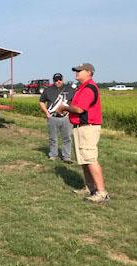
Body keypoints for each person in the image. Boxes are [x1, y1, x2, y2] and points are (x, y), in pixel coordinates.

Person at [56, 63, 109, 203]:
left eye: (79, 71)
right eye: (76, 71)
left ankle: (102, 193)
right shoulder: (82, 88)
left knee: (90, 159)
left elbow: (79, 109)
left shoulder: (89, 88)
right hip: (81, 127)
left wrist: (64, 108)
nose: (76, 73)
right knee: (84, 159)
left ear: (89, 72)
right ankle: (90, 188)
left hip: (88, 127)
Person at [39, 73, 74, 163]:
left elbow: (75, 102)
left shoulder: (70, 89)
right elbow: (41, 101)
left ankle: (66, 157)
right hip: (53, 117)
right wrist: (46, 113)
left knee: (67, 138)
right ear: (53, 80)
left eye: (60, 79)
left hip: (66, 118)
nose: (58, 81)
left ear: (63, 79)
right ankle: (53, 155)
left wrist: (70, 111)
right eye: (56, 80)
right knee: (53, 138)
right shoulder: (48, 90)